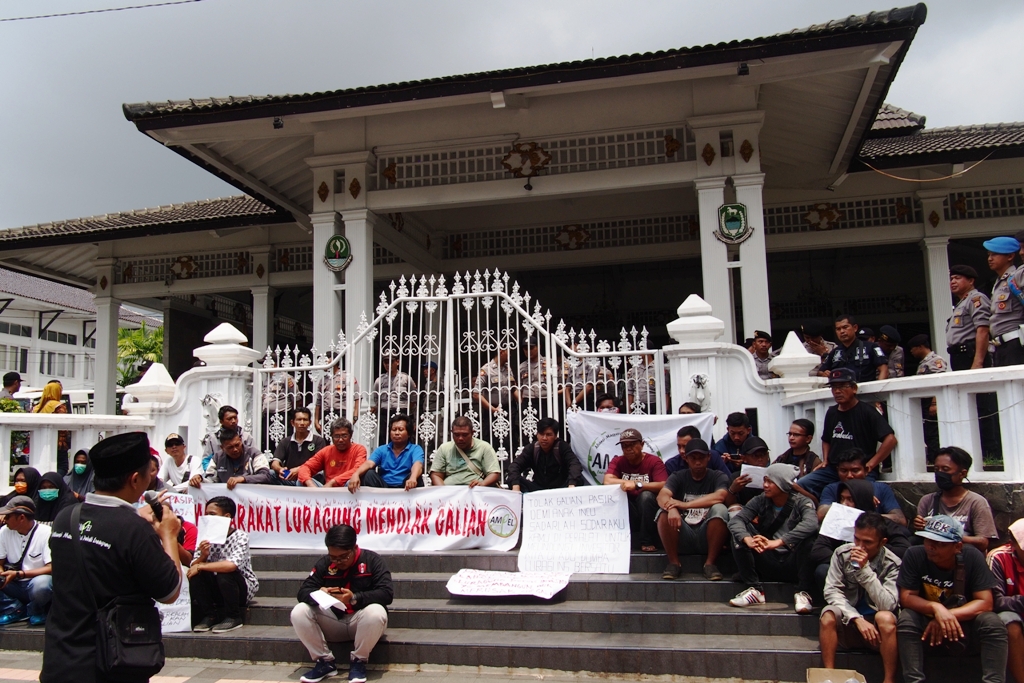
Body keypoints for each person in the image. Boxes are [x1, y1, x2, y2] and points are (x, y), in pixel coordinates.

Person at [41, 432, 182, 683]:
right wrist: (169, 535)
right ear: (135, 479)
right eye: (148, 473)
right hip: (110, 665)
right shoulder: (133, 529)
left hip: (60, 660)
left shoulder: (65, 518)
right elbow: (169, 591)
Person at [896, 515, 1007, 683]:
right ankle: (914, 680)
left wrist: (949, 615)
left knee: (992, 622)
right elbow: (907, 597)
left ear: (957, 547)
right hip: (928, 625)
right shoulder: (915, 554)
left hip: (964, 624)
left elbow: (985, 602)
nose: (931, 547)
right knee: (906, 619)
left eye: (940, 544)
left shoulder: (972, 556)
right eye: (928, 540)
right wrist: (936, 609)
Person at [292, 524, 393, 683]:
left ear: (355, 548)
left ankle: (359, 661)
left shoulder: (373, 561)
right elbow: (303, 591)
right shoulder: (324, 564)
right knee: (299, 611)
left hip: (362, 622)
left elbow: (386, 593)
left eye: (343, 557)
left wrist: (355, 597)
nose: (338, 561)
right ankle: (324, 661)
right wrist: (319, 595)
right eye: (333, 557)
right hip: (334, 621)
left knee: (376, 612)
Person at [819, 512, 901, 683]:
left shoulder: (892, 564)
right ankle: (829, 676)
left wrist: (865, 571)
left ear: (882, 542)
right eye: (857, 539)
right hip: (850, 621)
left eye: (868, 542)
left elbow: (888, 605)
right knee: (828, 615)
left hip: (877, 628)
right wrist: (856, 618)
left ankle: (889, 679)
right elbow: (831, 591)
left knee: (885, 617)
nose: (860, 546)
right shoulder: (842, 554)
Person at [728, 463, 818, 611]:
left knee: (809, 539)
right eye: (765, 481)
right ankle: (754, 589)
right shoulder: (761, 500)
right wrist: (747, 539)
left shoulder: (802, 502)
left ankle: (803, 592)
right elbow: (737, 520)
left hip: (793, 561)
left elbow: (811, 524)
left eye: (770, 482)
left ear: (782, 484)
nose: (765, 485)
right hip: (767, 558)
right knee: (738, 534)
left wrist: (778, 542)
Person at [797, 368, 897, 497]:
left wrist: (870, 464)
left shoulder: (867, 412)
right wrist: (826, 460)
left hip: (859, 470)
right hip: (834, 469)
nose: (837, 391)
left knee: (861, 495)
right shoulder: (832, 412)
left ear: (854, 388)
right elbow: (826, 439)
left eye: (842, 386)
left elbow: (890, 439)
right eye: (834, 387)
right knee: (801, 484)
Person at [657, 438, 730, 581]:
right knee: (663, 513)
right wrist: (672, 508)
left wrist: (683, 505)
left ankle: (710, 564)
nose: (697, 462)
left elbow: (720, 496)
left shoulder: (718, 476)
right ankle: (674, 563)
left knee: (720, 509)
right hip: (682, 532)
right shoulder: (678, 476)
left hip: (706, 533)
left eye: (701, 458)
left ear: (709, 457)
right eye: (693, 458)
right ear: (685, 458)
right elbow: (662, 496)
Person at [188, 496, 258, 633]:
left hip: (239, 586)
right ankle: (210, 615)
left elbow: (231, 565)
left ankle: (233, 616)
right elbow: (194, 566)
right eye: (206, 514)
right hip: (215, 586)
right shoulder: (204, 536)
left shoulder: (240, 536)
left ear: (226, 516)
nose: (207, 518)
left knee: (224, 573)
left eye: (212, 514)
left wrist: (202, 565)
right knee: (196, 575)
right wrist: (203, 556)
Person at [914, 446, 997, 554]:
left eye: (945, 469)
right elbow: (922, 538)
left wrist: (948, 535)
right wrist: (919, 526)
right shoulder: (927, 501)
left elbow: (983, 542)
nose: (939, 473)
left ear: (962, 474)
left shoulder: (976, 502)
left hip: (963, 556)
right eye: (936, 469)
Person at [603, 428, 667, 553]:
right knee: (616, 496)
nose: (628, 449)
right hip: (628, 507)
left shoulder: (653, 461)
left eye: (632, 444)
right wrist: (629, 483)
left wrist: (638, 485)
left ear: (642, 445)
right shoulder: (618, 461)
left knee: (646, 496)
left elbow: (663, 484)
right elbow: (607, 481)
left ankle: (647, 541)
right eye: (624, 446)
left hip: (650, 509)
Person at [816, 449, 906, 526]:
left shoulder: (881, 488)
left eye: (855, 470)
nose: (849, 475)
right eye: (843, 471)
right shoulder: (831, 489)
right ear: (837, 470)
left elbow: (900, 520)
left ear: (866, 470)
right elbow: (821, 515)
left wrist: (867, 515)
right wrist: (845, 504)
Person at [0, 496, 52, 626]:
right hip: (13, 583)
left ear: (21, 517)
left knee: (42, 584)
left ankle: (37, 609)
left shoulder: (46, 532)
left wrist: (19, 574)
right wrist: (1, 575)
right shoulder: (4, 532)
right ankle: (13, 608)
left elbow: (51, 568)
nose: (4, 520)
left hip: (34, 582)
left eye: (8, 517)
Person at [989, 518, 1024, 683]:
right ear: (1013, 543)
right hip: (1013, 613)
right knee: (1009, 623)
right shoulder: (998, 557)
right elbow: (994, 601)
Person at [349, 414, 424, 491]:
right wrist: (356, 474)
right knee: (369, 474)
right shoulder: (382, 449)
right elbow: (369, 463)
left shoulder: (415, 449)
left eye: (401, 430)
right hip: (384, 488)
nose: (396, 433)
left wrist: (413, 478)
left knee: (417, 477)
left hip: (406, 486)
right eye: (394, 430)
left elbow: (418, 464)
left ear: (409, 434)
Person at [508, 417, 582, 492]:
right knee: (512, 480)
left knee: (579, 481)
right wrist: (516, 487)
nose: (544, 438)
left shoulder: (562, 447)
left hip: (560, 490)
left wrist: (572, 484)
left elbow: (574, 464)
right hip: (538, 489)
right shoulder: (532, 448)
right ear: (537, 435)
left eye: (549, 435)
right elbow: (514, 466)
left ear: (555, 436)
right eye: (541, 434)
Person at [189, 428, 275, 489]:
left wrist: (243, 479)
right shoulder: (217, 458)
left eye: (237, 445)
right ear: (222, 448)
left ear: (241, 441)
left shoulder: (254, 454)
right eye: (230, 447)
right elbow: (211, 480)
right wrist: (200, 479)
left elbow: (266, 476)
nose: (235, 449)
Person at [985, 236, 1024, 366]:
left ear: (1010, 256)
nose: (990, 258)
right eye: (989, 254)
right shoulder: (998, 283)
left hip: (1015, 343)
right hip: (1000, 346)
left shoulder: (1017, 276)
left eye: (995, 254)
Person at [429, 416, 501, 487]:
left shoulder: (484, 447)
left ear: (472, 433)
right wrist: (444, 491)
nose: (460, 438)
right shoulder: (444, 448)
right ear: (452, 433)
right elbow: (436, 474)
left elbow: (494, 473)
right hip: (451, 493)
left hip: (476, 492)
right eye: (456, 435)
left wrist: (482, 484)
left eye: (465, 435)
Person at [297, 418, 368, 488]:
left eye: (344, 436)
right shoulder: (326, 451)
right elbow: (305, 467)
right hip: (328, 491)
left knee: (351, 481)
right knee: (301, 481)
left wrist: (333, 482)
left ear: (351, 435)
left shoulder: (359, 449)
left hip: (346, 489)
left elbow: (358, 469)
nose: (340, 440)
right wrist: (310, 484)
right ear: (332, 437)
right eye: (336, 436)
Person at [819, 314, 889, 383]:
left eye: (845, 327)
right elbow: (820, 372)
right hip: (842, 391)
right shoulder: (835, 352)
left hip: (866, 391)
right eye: (838, 329)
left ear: (855, 328)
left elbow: (884, 370)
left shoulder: (870, 347)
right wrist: (824, 374)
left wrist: (877, 389)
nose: (842, 331)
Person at [946, 264, 991, 370]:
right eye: (951, 279)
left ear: (971, 281)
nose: (953, 282)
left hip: (970, 354)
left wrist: (977, 363)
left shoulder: (976, 299)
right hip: (958, 356)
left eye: (957, 278)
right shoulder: (961, 303)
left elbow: (983, 330)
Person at [272, 408, 329, 485]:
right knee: (270, 473)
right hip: (290, 477)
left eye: (305, 420)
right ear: (292, 423)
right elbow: (275, 462)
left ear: (310, 423)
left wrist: (299, 470)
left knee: (302, 479)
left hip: (311, 478)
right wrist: (280, 469)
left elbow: (318, 464)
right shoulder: (285, 441)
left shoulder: (318, 441)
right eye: (299, 419)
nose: (302, 423)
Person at [472, 349, 517, 446]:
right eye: (508, 352)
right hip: (492, 410)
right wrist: (493, 409)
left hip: (508, 409)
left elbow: (513, 388)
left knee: (510, 439)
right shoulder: (486, 369)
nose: (510, 355)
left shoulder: (507, 369)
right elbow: (476, 394)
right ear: (501, 352)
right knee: (493, 440)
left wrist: (521, 403)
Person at [725, 436, 772, 509]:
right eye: (755, 456)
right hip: (743, 514)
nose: (760, 459)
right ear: (744, 458)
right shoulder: (737, 477)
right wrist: (732, 490)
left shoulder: (774, 475)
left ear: (768, 455)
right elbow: (729, 506)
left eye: (763, 455)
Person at [664, 425, 731, 477]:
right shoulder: (671, 464)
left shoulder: (714, 457)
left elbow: (727, 481)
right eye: (679, 446)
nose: (681, 451)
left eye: (685, 446)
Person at [315, 365, 360, 434]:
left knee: (342, 438)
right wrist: (316, 421)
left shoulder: (347, 377)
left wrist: (355, 417)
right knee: (326, 439)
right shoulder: (323, 380)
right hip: (327, 413)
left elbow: (357, 397)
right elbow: (318, 402)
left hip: (341, 413)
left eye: (326, 360)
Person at [371, 355, 417, 419]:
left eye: (391, 362)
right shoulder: (379, 380)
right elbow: (376, 397)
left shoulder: (406, 378)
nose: (388, 365)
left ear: (397, 362)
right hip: (385, 412)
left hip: (401, 411)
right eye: (386, 362)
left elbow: (413, 398)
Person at [519, 339, 553, 420]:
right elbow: (520, 387)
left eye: (531, 348)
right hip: (528, 401)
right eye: (525, 349)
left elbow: (559, 383)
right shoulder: (522, 366)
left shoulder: (550, 363)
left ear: (538, 347)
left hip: (545, 400)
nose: (528, 351)